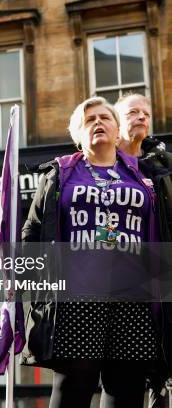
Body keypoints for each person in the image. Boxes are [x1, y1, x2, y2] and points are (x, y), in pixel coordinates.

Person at [22, 96, 165, 407]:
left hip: (134, 299)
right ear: (78, 135)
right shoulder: (59, 175)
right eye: (89, 120)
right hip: (78, 297)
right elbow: (32, 233)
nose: (98, 123)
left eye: (105, 118)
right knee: (73, 389)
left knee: (125, 393)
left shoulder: (146, 176)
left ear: (117, 132)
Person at [115, 93, 172, 408]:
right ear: (116, 122)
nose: (141, 117)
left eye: (146, 113)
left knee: (161, 372)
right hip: (119, 285)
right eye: (132, 112)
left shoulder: (162, 166)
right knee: (125, 378)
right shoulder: (103, 165)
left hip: (159, 281)